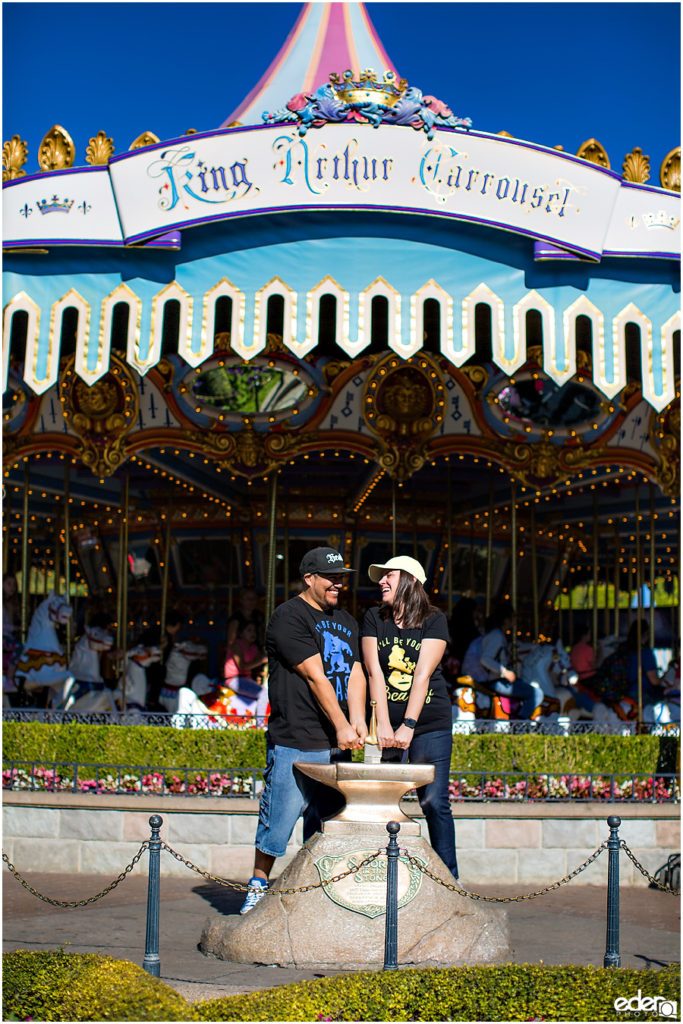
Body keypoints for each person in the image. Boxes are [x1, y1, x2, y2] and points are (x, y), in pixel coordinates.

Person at [240, 546, 367, 914]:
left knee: (326, 825)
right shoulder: (288, 617)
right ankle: (258, 884)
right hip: (297, 738)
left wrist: (356, 720)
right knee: (277, 821)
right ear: (309, 578)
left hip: (336, 744)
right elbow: (315, 676)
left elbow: (355, 672)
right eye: (331, 577)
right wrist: (342, 725)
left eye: (341, 577)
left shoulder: (346, 619)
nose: (338, 584)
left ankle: (317, 897)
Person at [361, 555, 458, 880]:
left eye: (389, 575)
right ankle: (386, 873)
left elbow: (422, 674)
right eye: (382, 576)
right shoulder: (375, 617)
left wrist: (409, 726)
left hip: (429, 723)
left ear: (410, 581)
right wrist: (385, 724)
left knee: (433, 800)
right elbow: (374, 671)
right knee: (385, 802)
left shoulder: (433, 619)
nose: (381, 582)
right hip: (388, 722)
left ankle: (449, 878)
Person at [479, 601, 538, 720]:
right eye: (514, 616)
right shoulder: (497, 636)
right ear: (506, 620)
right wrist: (504, 672)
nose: (516, 620)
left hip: (498, 679)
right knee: (535, 693)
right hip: (497, 681)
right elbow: (485, 659)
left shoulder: (499, 635)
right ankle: (520, 723)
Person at [626, 619, 668, 706]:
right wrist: (663, 678)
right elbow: (654, 681)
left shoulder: (625, 650)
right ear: (645, 634)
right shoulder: (645, 653)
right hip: (641, 693)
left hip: (625, 691)